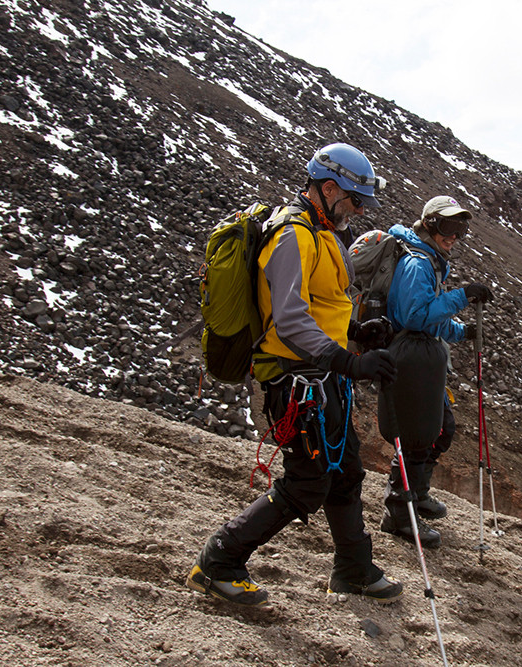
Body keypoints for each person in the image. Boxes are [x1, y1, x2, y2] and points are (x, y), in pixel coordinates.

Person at [186, 143, 402, 606]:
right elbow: (288, 318)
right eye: (355, 200)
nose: (360, 211)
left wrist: (356, 332)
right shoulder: (292, 236)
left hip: (321, 377)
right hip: (295, 383)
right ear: (329, 189)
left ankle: (354, 568)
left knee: (345, 471)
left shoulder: (323, 234)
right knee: (308, 482)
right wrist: (349, 361)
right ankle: (219, 560)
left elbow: (320, 304)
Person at [376, 195, 493, 547]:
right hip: (409, 357)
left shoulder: (431, 261)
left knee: (441, 429)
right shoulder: (417, 263)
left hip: (421, 356)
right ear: (429, 224)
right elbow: (414, 317)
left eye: (460, 229)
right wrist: (462, 296)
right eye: (448, 226)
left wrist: (461, 332)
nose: (453, 235)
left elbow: (430, 318)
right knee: (416, 437)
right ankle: (399, 514)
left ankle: (417, 494)